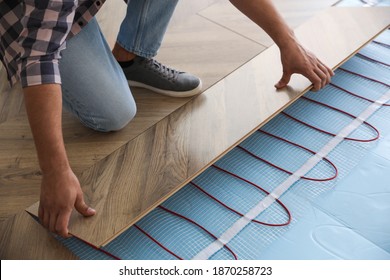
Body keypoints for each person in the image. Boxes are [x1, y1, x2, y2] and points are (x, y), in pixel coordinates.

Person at [0, 0, 333, 238]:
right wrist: (55, 170)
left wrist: (288, 43)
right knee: (114, 113)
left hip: (70, 11)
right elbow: (40, 59)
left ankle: (132, 58)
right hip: (26, 22)